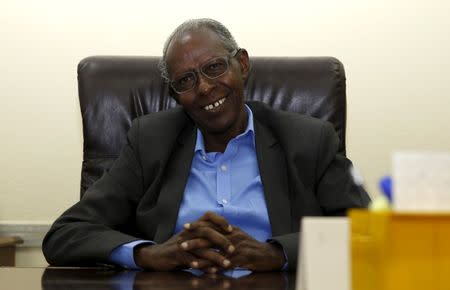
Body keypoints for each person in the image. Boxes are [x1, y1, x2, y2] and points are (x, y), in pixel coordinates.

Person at [42, 18, 370, 273]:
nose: (204, 88)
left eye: (214, 68)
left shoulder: (309, 139)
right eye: (185, 80)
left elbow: (366, 233)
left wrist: (277, 253)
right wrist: (146, 254)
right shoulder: (149, 141)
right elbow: (65, 234)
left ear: (241, 64)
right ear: (174, 95)